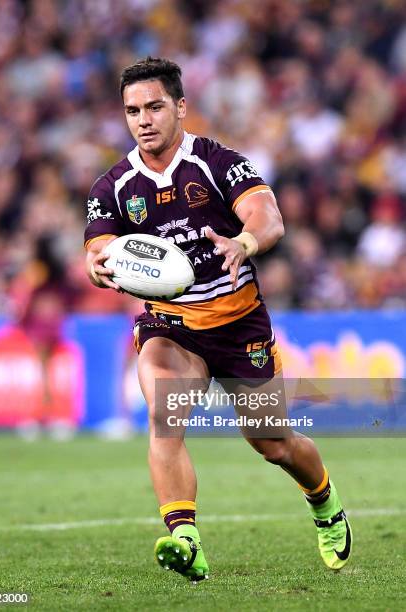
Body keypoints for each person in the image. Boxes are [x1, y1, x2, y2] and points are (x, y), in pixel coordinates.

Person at [84, 57, 352, 582]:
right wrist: (97, 266)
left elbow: (267, 216)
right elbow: (99, 250)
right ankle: (186, 538)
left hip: (237, 322)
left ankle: (325, 503)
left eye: (155, 106)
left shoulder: (217, 162)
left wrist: (244, 241)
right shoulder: (112, 186)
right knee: (165, 417)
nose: (143, 119)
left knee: (272, 442)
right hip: (171, 325)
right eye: (132, 110)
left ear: (180, 107)